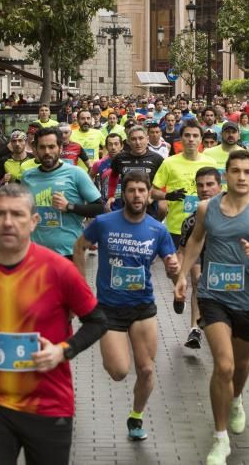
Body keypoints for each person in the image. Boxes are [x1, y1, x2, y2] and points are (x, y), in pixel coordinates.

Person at [0, 185, 107, 465]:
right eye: (0, 214)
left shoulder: (59, 270)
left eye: (17, 214)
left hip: (49, 405)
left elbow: (97, 322)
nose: (8, 222)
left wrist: (63, 351)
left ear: (34, 222)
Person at [174, 150, 249, 465]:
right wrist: (183, 275)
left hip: (248, 299)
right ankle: (220, 438)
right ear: (226, 175)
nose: (241, 177)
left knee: (241, 365)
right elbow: (195, 241)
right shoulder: (207, 208)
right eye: (235, 171)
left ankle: (236, 398)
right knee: (223, 366)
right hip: (213, 295)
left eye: (247, 172)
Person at [74, 171, 179, 442]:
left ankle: (136, 416)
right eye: (131, 190)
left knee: (145, 369)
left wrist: (173, 269)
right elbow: (81, 246)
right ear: (124, 193)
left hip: (143, 307)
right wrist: (80, 285)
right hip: (109, 308)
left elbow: (172, 269)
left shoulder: (158, 229)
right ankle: (115, 350)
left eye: (141, 191)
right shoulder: (104, 222)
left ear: (148, 194)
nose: (136, 196)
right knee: (119, 371)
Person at [22, 128, 103, 259]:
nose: (47, 152)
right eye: (42, 147)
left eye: (51, 147)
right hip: (36, 253)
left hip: (70, 253)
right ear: (35, 149)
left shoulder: (76, 173)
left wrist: (69, 207)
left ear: (60, 148)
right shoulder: (27, 177)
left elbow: (100, 209)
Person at [178, 167, 223, 349]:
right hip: (200, 258)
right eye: (200, 185)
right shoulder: (190, 222)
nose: (204, 189)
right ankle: (194, 329)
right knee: (197, 280)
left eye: (210, 185)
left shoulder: (234, 215)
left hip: (224, 268)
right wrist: (180, 277)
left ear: (220, 187)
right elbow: (183, 250)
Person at [106, 125, 164, 213]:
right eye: (133, 139)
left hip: (150, 208)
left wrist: (155, 197)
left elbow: (164, 182)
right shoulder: (119, 158)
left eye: (141, 138)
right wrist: (111, 196)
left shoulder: (157, 159)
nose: (137, 142)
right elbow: (113, 176)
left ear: (147, 139)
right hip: (126, 207)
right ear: (128, 141)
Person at [90, 132, 124, 206]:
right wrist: (94, 195)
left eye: (116, 144)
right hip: (107, 206)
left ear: (121, 146)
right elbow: (90, 178)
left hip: (125, 206)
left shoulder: (129, 162)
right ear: (106, 147)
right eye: (110, 144)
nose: (113, 147)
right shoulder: (99, 163)